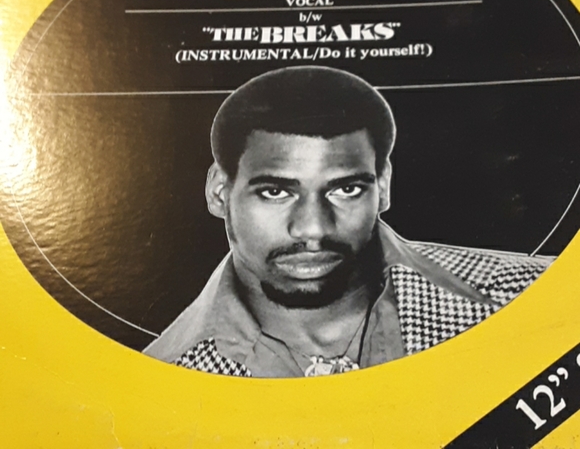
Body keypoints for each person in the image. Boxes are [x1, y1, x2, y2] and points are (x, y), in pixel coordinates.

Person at [143, 65, 550, 377]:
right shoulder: (160, 379)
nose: (313, 229)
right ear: (219, 192)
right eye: (275, 192)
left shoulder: (538, 300)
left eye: (346, 189)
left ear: (383, 187)